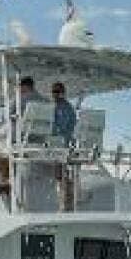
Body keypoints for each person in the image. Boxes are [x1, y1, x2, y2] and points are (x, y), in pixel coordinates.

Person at [50, 81, 77, 211]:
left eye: (57, 92)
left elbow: (61, 128)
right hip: (60, 145)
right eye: (54, 92)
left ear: (63, 93)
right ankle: (64, 202)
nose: (55, 94)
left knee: (60, 175)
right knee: (61, 175)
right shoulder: (59, 107)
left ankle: (64, 204)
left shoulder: (65, 108)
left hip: (60, 145)